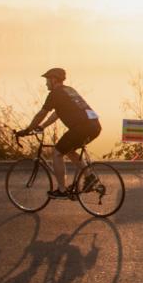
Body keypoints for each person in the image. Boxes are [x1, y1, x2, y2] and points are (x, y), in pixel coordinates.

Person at [19, 68, 102, 199]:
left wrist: (28, 129)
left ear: (53, 79)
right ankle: (90, 177)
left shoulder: (55, 94)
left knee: (57, 153)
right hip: (94, 126)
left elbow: (42, 113)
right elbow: (57, 113)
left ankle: (62, 190)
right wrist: (43, 126)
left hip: (81, 127)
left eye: (47, 80)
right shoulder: (69, 90)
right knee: (69, 150)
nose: (46, 83)